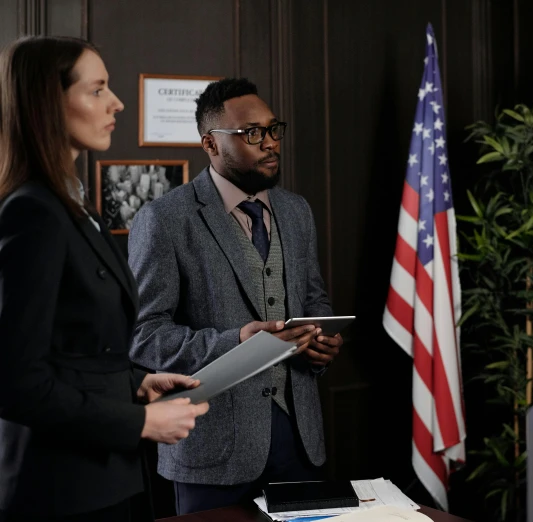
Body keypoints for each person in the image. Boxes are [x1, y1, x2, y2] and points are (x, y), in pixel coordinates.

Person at [0, 36, 209, 522]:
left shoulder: (70, 203)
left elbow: (73, 349)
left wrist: (136, 383)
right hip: (61, 492)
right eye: (97, 90)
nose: (115, 103)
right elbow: (15, 383)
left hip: (103, 479)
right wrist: (139, 419)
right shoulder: (33, 212)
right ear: (48, 103)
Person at [128, 77, 343, 514]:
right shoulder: (164, 220)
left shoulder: (296, 210)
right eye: (251, 133)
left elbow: (314, 301)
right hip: (211, 452)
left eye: (272, 129)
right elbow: (145, 336)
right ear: (210, 143)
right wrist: (235, 342)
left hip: (300, 444)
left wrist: (321, 339)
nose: (269, 143)